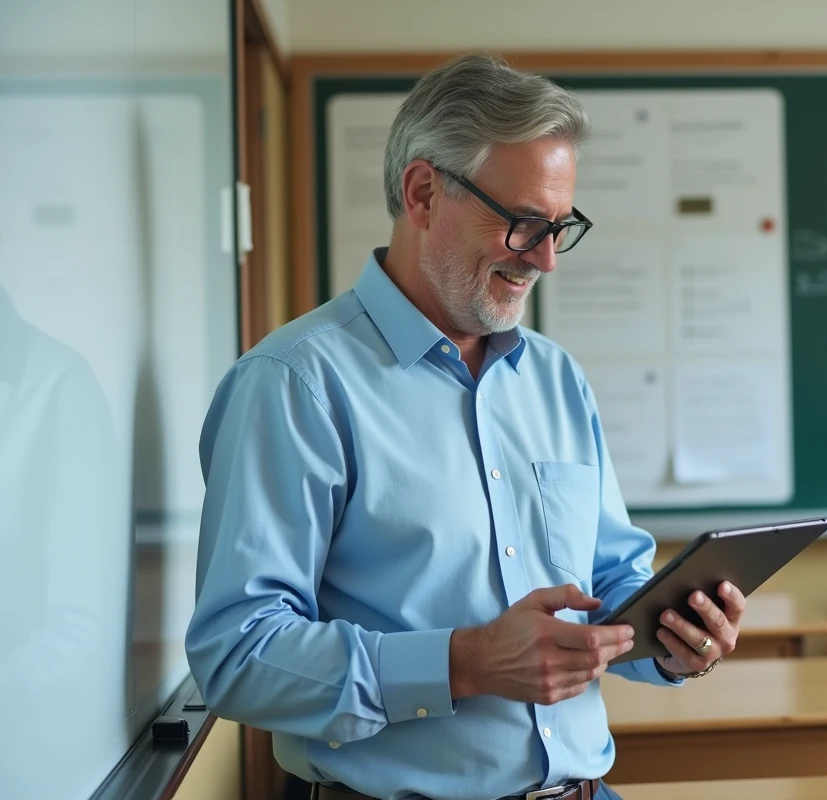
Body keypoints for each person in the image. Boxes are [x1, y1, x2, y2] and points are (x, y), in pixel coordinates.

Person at [186, 53, 744, 800]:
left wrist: (674, 638)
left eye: (559, 227)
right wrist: (464, 663)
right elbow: (237, 657)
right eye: (522, 224)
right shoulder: (295, 384)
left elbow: (608, 582)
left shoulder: (557, 379)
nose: (546, 258)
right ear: (423, 193)